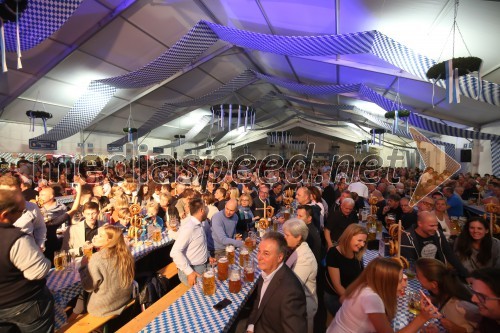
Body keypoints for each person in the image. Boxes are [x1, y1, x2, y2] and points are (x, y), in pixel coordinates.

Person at [326, 257, 441, 333]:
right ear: (387, 283)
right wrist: (422, 318)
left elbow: (342, 299)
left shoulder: (364, 285)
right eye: (401, 281)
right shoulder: (372, 298)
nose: (404, 285)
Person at [0, 189, 54, 332]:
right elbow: (38, 271)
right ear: (5, 215)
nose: (22, 215)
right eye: (20, 212)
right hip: (25, 303)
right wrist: (44, 259)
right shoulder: (15, 238)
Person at [246, 231, 307, 333]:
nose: (259, 257)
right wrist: (250, 327)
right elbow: (258, 304)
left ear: (280, 257)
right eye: (259, 251)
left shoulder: (291, 292)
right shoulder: (267, 272)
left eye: (266, 253)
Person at [78, 224, 135, 317]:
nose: (95, 237)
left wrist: (83, 267)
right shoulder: (126, 254)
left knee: (80, 299)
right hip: (123, 300)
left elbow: (88, 287)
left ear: (110, 241)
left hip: (103, 309)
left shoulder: (97, 258)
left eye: (100, 236)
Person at [415, 258, 480, 333]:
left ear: (433, 284)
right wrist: (432, 300)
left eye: (418, 276)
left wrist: (459, 330)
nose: (416, 277)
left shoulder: (461, 305)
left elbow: (483, 326)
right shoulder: (443, 293)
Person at [400, 211, 468, 279]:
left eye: (436, 225)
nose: (435, 228)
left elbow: (449, 254)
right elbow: (410, 263)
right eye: (432, 226)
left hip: (439, 274)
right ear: (420, 224)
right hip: (419, 275)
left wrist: (465, 274)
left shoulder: (438, 233)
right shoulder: (407, 237)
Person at [283, 219, 318, 333]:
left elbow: (291, 288)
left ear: (298, 237)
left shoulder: (305, 259)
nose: (284, 237)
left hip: (302, 308)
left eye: (287, 235)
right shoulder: (297, 248)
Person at [324, 224, 367, 316]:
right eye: (359, 240)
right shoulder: (333, 254)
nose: (362, 244)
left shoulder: (357, 254)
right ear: (348, 237)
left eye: (364, 242)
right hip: (337, 297)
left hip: (352, 295)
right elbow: (337, 285)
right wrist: (353, 303)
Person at [170, 198, 210, 286]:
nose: (207, 210)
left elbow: (199, 245)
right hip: (194, 270)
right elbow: (174, 252)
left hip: (204, 265)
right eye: (206, 208)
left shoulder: (198, 223)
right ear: (201, 210)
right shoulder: (190, 227)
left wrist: (208, 256)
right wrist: (190, 272)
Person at [0, 174, 46, 250]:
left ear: (20, 191)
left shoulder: (31, 207)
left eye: (13, 192)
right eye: (5, 193)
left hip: (27, 252)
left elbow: (40, 227)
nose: (9, 196)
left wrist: (40, 245)